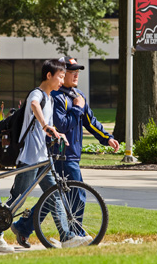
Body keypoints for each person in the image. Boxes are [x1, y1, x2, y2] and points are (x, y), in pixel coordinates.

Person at [0, 59, 91, 253]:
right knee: (18, 199)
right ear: (49, 76)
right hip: (30, 157)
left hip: (42, 158)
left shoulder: (49, 98)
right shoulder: (38, 94)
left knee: (54, 195)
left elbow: (48, 129)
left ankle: (67, 238)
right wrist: (44, 124)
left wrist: (58, 134)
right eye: (59, 76)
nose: (61, 80)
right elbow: (34, 105)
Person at [52, 56, 120, 236]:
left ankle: (23, 226)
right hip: (61, 154)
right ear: (62, 73)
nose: (76, 75)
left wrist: (107, 138)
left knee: (53, 196)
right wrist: (76, 108)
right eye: (72, 72)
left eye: (77, 72)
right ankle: (77, 234)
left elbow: (90, 121)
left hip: (72, 155)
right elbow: (61, 126)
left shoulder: (78, 96)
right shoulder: (55, 97)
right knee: (77, 196)